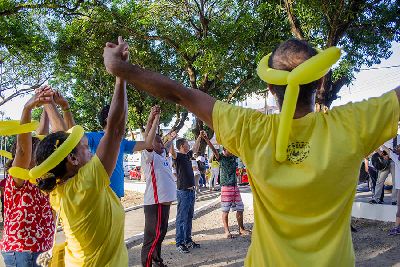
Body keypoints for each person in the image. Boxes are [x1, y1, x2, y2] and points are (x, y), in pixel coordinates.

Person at [103, 37, 400, 266]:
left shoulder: (251, 128)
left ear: (270, 87)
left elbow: (182, 94)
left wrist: (122, 69)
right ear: (322, 81)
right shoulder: (352, 124)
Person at [35, 37, 130, 266]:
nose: (90, 150)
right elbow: (115, 129)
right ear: (73, 159)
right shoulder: (87, 183)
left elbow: (61, 141)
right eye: (86, 148)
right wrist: (121, 74)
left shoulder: (58, 187)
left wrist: (52, 105)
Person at [0, 88, 58, 267]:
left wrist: (47, 106)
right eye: (37, 151)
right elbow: (23, 150)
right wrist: (27, 109)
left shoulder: (41, 177)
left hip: (41, 250)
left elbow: (42, 136)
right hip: (22, 251)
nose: (41, 153)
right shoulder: (17, 179)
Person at [85, 100, 156, 198]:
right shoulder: (93, 137)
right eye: (119, 115)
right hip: (99, 195)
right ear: (108, 118)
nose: (122, 119)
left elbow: (148, 143)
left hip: (117, 195)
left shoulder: (121, 141)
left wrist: (153, 120)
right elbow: (72, 138)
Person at [141, 112, 177, 267]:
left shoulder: (162, 157)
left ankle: (157, 261)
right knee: (152, 237)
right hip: (155, 204)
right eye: (159, 142)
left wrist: (171, 139)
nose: (162, 145)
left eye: (162, 142)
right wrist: (153, 121)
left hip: (164, 204)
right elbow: (148, 139)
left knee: (160, 235)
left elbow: (167, 145)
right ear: (151, 144)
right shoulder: (149, 157)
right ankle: (147, 264)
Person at [200, 131, 249, 238]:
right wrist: (207, 140)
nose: (232, 152)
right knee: (225, 210)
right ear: (225, 150)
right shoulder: (220, 157)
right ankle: (227, 231)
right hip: (226, 187)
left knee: (240, 208)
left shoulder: (233, 156)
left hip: (235, 186)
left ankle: (241, 229)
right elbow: (213, 149)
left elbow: (240, 146)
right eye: (230, 150)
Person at [169, 136, 201, 253]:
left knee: (189, 217)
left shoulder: (187, 156)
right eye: (187, 144)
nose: (189, 145)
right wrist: (171, 138)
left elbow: (195, 148)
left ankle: (188, 240)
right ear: (182, 146)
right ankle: (180, 243)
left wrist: (199, 137)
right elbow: (172, 151)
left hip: (191, 191)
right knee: (181, 218)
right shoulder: (178, 157)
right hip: (183, 192)